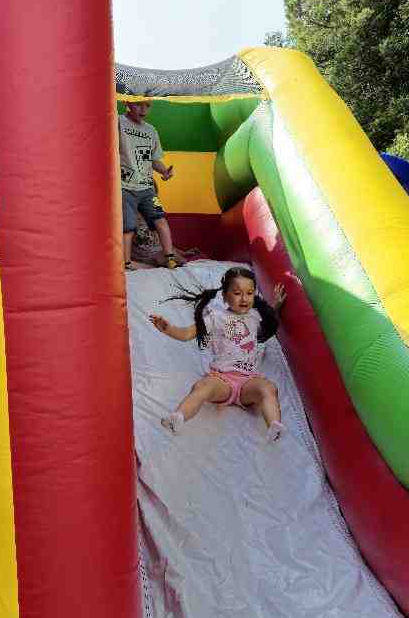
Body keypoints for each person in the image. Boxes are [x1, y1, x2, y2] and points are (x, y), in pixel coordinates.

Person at [149, 267, 287, 442]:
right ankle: (178, 417)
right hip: (223, 380)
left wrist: (275, 305)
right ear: (225, 296)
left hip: (248, 381)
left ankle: (274, 426)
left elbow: (267, 320)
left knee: (268, 388)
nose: (244, 299)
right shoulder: (216, 318)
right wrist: (168, 329)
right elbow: (187, 334)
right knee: (202, 386)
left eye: (249, 293)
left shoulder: (255, 316)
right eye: (237, 293)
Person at [120, 98, 179, 270]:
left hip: (147, 188)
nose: (143, 110)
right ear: (127, 102)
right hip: (125, 186)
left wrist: (164, 171)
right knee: (128, 226)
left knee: (160, 220)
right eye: (138, 104)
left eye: (147, 106)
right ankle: (126, 263)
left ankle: (170, 258)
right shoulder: (118, 122)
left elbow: (154, 160)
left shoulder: (150, 131)